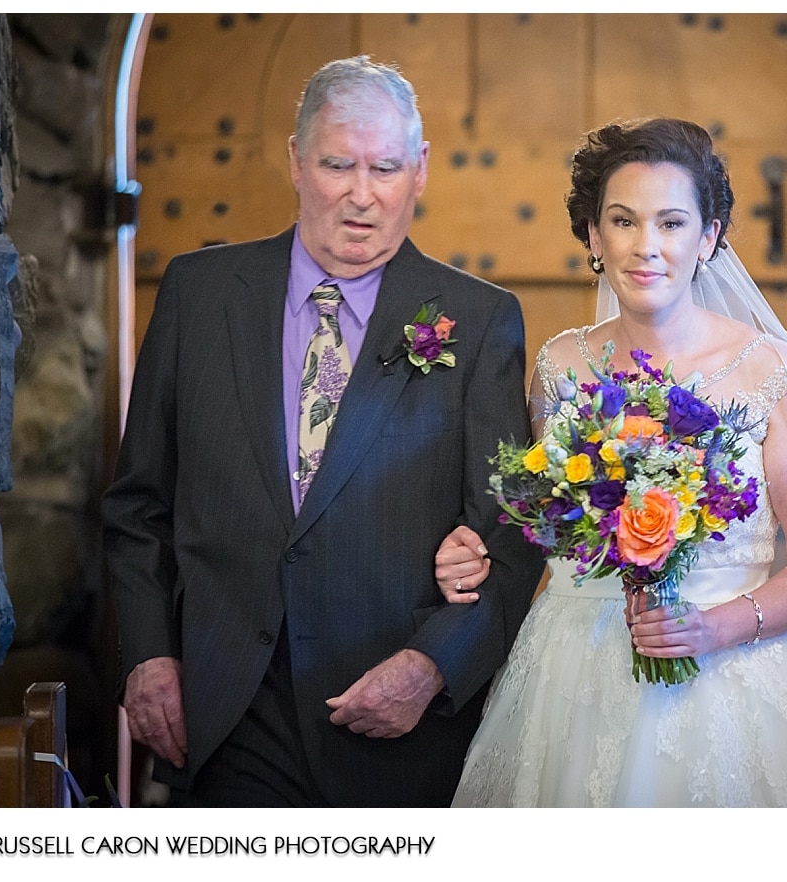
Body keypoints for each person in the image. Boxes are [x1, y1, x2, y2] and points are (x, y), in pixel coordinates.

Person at [102, 55, 544, 807]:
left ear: (422, 169)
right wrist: (146, 657)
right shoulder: (198, 295)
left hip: (400, 721)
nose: (362, 196)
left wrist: (432, 666)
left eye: (386, 167)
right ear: (296, 161)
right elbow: (137, 508)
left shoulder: (479, 318)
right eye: (338, 164)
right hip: (227, 713)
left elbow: (510, 530)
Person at [433, 118, 787, 807]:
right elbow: (535, 527)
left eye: (672, 222)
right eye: (622, 221)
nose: (646, 246)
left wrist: (710, 628)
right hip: (569, 677)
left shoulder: (773, 372)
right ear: (594, 237)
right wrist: (469, 551)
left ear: (709, 237)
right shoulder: (560, 366)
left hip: (729, 673)